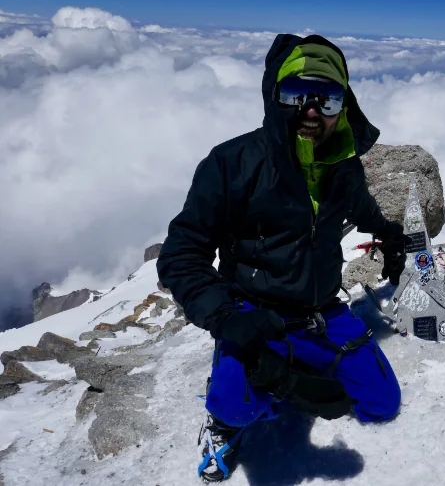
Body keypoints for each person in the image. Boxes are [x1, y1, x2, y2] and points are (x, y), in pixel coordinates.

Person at [156, 34, 408, 482]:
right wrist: (229, 321)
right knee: (234, 405)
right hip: (253, 313)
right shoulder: (232, 163)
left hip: (322, 311)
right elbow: (181, 253)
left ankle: (286, 368)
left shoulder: (342, 166)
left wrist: (391, 238)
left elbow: (363, 209)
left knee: (380, 405)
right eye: (297, 94)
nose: (312, 109)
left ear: (343, 105)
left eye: (328, 98)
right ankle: (226, 416)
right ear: (275, 97)